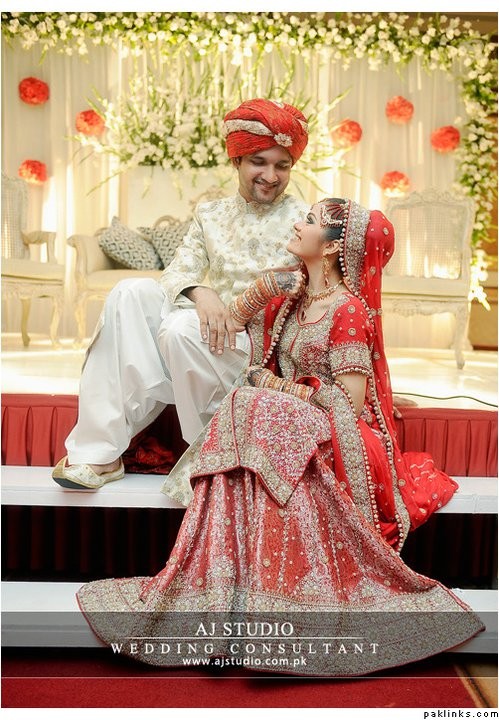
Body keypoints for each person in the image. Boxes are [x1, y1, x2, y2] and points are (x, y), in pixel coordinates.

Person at [76, 197, 483, 676]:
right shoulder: (295, 297)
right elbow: (236, 324)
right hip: (293, 414)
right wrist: (262, 288)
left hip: (331, 426)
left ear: (331, 249)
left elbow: (347, 404)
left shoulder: (347, 310)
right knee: (246, 406)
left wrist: (272, 386)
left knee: (254, 405)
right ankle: (228, 583)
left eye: (309, 221)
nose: (298, 223)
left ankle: (280, 592)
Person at [52, 98, 310, 490]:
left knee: (181, 329)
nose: (270, 176)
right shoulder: (211, 215)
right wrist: (199, 290)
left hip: (257, 347)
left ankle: (207, 456)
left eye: (282, 165)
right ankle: (98, 455)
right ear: (236, 161)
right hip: (205, 333)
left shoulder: (304, 218)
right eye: (259, 161)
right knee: (130, 293)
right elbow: (179, 270)